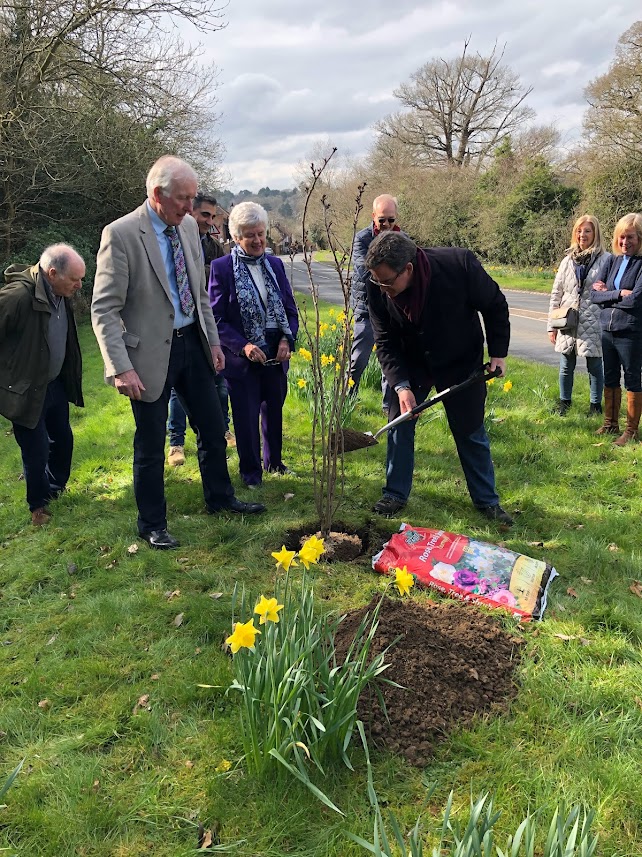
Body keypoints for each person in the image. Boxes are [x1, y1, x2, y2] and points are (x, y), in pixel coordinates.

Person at [91, 155, 265, 551]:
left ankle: (220, 498)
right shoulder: (120, 234)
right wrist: (120, 367)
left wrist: (214, 343)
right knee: (151, 444)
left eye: (192, 198)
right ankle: (152, 524)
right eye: (183, 198)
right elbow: (103, 308)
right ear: (157, 194)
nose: (191, 207)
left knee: (213, 429)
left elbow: (199, 292)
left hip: (193, 345)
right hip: (148, 357)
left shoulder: (186, 227)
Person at [365, 231, 512, 525]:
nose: (382, 288)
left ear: (408, 269)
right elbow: (385, 341)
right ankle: (395, 493)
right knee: (399, 424)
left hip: (459, 360)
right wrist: (401, 386)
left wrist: (498, 353)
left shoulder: (459, 265)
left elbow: (494, 304)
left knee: (470, 429)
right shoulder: (376, 282)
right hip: (411, 362)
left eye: (387, 282)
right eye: (377, 282)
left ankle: (487, 500)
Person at [209, 202, 299, 488]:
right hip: (242, 357)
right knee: (246, 418)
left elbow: (290, 309)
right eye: (250, 235)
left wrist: (286, 339)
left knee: (274, 410)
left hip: (275, 354)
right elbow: (216, 318)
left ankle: (275, 463)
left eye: (261, 233)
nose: (258, 240)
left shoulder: (275, 265)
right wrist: (243, 346)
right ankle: (250, 473)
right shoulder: (222, 269)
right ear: (236, 237)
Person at [0, 244, 84, 526]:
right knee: (36, 451)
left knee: (63, 441)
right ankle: (38, 507)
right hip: (26, 389)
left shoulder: (61, 293)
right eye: (74, 279)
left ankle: (55, 489)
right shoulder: (17, 296)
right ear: (52, 273)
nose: (79, 285)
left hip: (54, 383)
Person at [167, 191, 234, 467]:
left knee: (218, 383)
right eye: (204, 214)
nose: (209, 221)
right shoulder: (174, 239)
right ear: (190, 212)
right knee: (176, 390)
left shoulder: (213, 246)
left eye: (213, 216)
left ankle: (223, 429)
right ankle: (176, 442)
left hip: (209, 322)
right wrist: (207, 272)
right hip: (180, 327)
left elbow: (219, 279)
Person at [547, 215, 607, 416]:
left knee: (594, 365)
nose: (583, 235)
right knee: (566, 365)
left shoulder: (606, 260)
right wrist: (551, 326)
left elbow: (611, 289)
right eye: (579, 231)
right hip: (567, 320)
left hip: (593, 320)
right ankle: (565, 403)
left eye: (587, 231)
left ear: (595, 233)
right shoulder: (567, 261)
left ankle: (595, 406)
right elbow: (556, 293)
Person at [350, 194, 405, 412]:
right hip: (366, 308)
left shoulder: (403, 240)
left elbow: (409, 272)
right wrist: (393, 277)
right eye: (382, 220)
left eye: (391, 219)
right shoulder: (362, 239)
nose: (386, 224)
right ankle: (347, 399)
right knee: (358, 359)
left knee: (390, 360)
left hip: (393, 309)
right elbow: (364, 271)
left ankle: (387, 408)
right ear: (373, 216)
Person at [591, 213, 642, 445]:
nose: (625, 242)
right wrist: (619, 293)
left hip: (630, 331)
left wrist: (607, 295)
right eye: (621, 237)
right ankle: (610, 424)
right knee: (610, 376)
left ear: (639, 238)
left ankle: (631, 431)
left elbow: (636, 301)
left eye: (630, 237)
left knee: (632, 378)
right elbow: (593, 296)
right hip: (607, 330)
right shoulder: (612, 261)